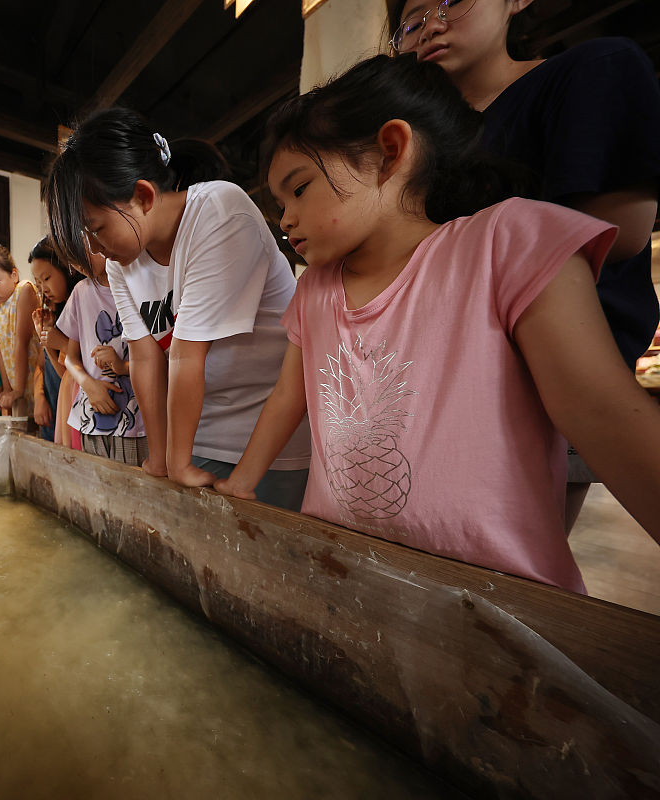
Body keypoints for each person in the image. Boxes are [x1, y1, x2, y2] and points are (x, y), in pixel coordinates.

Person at [213, 54, 660, 592]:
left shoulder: (506, 242)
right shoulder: (314, 289)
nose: (284, 219)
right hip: (343, 577)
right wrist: (241, 483)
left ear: (390, 152)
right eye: (279, 201)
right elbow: (289, 396)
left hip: (498, 602)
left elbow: (601, 409)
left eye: (299, 188)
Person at [387, 0, 660, 530]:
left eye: (450, 2)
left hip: (553, 379)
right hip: (433, 381)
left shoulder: (590, 70)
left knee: (507, 566)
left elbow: (615, 232)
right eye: (411, 22)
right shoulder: (423, 146)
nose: (431, 26)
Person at [44, 107, 311, 511]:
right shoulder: (122, 260)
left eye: (96, 229)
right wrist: (162, 458)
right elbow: (146, 357)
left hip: (266, 440)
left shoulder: (218, 211)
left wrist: (179, 462)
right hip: (201, 432)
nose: (94, 250)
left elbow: (186, 355)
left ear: (143, 196)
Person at [55, 241, 148, 466]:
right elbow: (70, 356)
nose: (76, 264)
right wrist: (89, 384)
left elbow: (159, 358)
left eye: (80, 253)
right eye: (71, 259)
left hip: (137, 420)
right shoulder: (81, 292)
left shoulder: (139, 285)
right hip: (91, 414)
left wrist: (122, 367)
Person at [28, 238, 83, 442]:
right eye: (38, 283)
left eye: (47, 278)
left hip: (76, 410)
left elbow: (67, 373)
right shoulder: (57, 314)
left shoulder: (82, 304)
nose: (43, 288)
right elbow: (48, 367)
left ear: (68, 269)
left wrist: (56, 342)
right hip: (57, 407)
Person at [0, 245, 40, 418]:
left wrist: (18, 389)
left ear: (13, 275)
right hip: (15, 382)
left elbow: (22, 341)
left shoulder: (24, 290)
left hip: (34, 376)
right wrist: (7, 389)